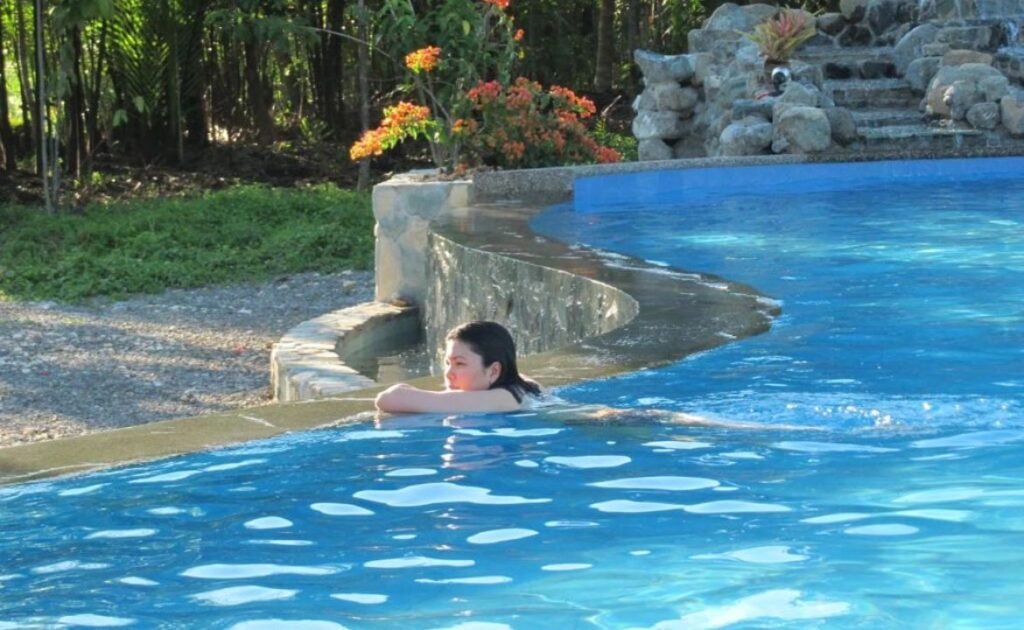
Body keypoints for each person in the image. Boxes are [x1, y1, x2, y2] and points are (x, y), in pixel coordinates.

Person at [375, 320, 542, 414]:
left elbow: (389, 399)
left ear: (493, 371)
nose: (448, 373)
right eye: (448, 363)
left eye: (460, 364)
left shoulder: (499, 399)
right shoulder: (524, 387)